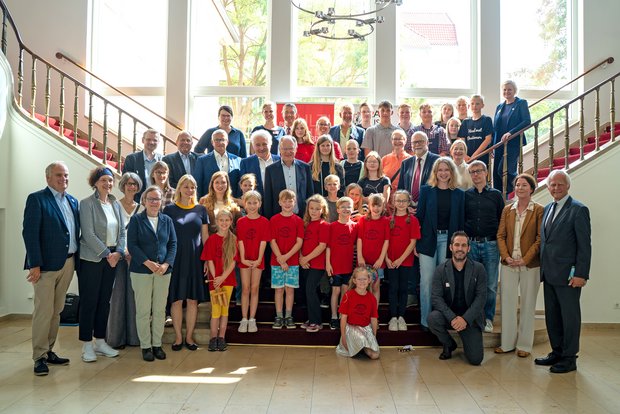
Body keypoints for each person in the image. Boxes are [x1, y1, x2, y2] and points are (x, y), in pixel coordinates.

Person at [22, 161, 80, 376]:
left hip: (68, 263)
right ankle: (38, 357)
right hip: (45, 266)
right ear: (48, 178)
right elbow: (30, 233)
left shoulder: (73, 201)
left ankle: (49, 350)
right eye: (58, 175)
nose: (63, 179)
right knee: (43, 312)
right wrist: (34, 264)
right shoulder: (37, 199)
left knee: (57, 311)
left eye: (65, 175)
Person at [535, 170, 591, 373]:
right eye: (552, 185)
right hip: (549, 274)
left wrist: (581, 274)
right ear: (548, 187)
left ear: (568, 186)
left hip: (569, 276)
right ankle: (557, 352)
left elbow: (584, 246)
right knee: (553, 316)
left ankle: (569, 357)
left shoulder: (578, 210)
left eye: (560, 184)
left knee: (570, 317)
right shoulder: (549, 208)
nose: (556, 188)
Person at [78, 166, 126, 363]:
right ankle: (86, 344)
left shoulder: (115, 204)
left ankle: (100, 341)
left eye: (110, 180)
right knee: (89, 301)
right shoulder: (87, 203)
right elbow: (88, 234)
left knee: (104, 301)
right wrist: (108, 254)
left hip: (112, 259)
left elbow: (122, 232)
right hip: (93, 259)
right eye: (104, 180)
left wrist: (119, 253)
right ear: (95, 183)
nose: (108, 183)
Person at [495, 173, 544, 357]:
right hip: (508, 264)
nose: (520, 188)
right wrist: (506, 257)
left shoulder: (539, 210)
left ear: (531, 189)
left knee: (527, 304)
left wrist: (525, 259)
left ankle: (524, 345)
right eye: (517, 185)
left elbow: (540, 239)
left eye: (524, 185)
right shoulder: (508, 210)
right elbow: (500, 235)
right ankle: (507, 344)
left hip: (530, 265)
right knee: (507, 303)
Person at [127, 186, 177, 361]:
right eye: (151, 199)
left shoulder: (167, 220)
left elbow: (173, 244)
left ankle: (157, 344)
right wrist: (147, 263)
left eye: (157, 199)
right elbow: (132, 245)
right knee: (143, 311)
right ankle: (145, 346)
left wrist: (166, 264)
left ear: (162, 201)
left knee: (159, 310)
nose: (155, 202)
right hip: (141, 271)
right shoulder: (136, 220)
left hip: (163, 272)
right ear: (144, 201)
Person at [416, 157, 465, 329]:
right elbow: (418, 218)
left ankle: (442, 319)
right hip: (427, 240)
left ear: (452, 172)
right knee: (427, 281)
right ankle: (425, 321)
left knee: (445, 282)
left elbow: (461, 222)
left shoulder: (459, 194)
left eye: (447, 170)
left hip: (449, 241)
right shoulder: (426, 191)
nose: (443, 173)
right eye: (440, 170)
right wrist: (415, 243)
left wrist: (458, 247)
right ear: (435, 172)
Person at [163, 175, 209, 351]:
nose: (190, 190)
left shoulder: (201, 210)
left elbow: (205, 238)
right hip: (175, 259)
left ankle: (189, 337)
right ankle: (178, 337)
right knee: (176, 300)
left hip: (195, 260)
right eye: (186, 187)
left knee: (192, 300)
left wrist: (206, 259)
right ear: (180, 188)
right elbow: (164, 237)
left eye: (193, 187)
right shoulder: (169, 210)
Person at [428, 231, 486, 365]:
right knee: (432, 318)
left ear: (469, 248)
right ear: (451, 247)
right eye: (457, 245)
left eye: (464, 245)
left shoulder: (479, 269)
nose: (460, 248)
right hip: (450, 317)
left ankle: (468, 339)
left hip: (469, 319)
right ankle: (449, 344)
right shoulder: (441, 270)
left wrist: (465, 319)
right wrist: (453, 318)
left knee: (476, 360)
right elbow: (436, 298)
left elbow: (481, 298)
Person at [464, 160, 504, 333]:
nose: (475, 175)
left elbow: (502, 220)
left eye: (479, 171)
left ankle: (488, 318)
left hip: (491, 245)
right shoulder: (466, 195)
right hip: (472, 245)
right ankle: (474, 316)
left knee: (490, 285)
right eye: (472, 172)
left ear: (486, 173)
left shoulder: (496, 195)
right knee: (472, 283)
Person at [106, 172, 143, 349]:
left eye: (134, 184)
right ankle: (116, 338)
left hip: (136, 258)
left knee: (135, 298)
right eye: (128, 183)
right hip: (118, 256)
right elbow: (112, 231)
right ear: (122, 186)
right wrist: (122, 251)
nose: (131, 187)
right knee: (118, 297)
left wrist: (134, 252)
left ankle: (134, 337)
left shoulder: (142, 207)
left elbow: (143, 233)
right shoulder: (114, 205)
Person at [202, 209, 238, 352]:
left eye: (227, 220)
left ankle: (221, 338)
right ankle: (213, 338)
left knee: (224, 310)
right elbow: (209, 260)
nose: (224, 223)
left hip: (227, 280)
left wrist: (223, 277)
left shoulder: (233, 239)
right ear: (216, 222)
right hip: (214, 281)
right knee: (216, 310)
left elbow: (233, 262)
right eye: (221, 220)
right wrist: (216, 277)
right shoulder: (212, 239)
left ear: (230, 222)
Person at [386, 190, 420, 331]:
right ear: (393, 202)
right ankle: (393, 317)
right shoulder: (388, 220)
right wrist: (387, 258)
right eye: (398, 201)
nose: (400, 204)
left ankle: (401, 317)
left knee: (403, 288)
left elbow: (412, 243)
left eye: (403, 201)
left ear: (408, 202)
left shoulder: (413, 220)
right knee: (393, 288)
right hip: (391, 261)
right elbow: (384, 242)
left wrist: (400, 259)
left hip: (405, 260)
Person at [269, 189, 304, 329]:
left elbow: (299, 242)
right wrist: (280, 258)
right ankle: (279, 316)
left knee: (290, 289)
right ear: (279, 202)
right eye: (285, 201)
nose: (288, 203)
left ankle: (288, 316)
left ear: (294, 202)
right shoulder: (274, 219)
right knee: (279, 289)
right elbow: (272, 241)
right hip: (277, 262)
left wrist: (286, 258)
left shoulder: (298, 220)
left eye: (290, 201)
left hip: (293, 262)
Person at [236, 191, 270, 333]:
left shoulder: (264, 221)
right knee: (245, 288)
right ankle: (244, 318)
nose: (252, 206)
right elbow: (241, 241)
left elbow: (263, 241)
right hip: (244, 257)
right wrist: (243, 258)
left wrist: (258, 259)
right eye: (249, 203)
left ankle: (252, 318)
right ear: (244, 204)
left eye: (255, 203)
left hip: (257, 259)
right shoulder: (241, 221)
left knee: (254, 288)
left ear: (260, 204)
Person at [492, 80, 531, 196]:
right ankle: (500, 197)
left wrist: (511, 132)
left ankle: (516, 188)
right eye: (504, 89)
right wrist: (492, 147)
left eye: (509, 89)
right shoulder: (500, 106)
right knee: (496, 174)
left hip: (513, 143)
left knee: (504, 170)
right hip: (499, 144)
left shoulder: (521, 103)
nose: (507, 91)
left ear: (514, 91)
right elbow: (495, 128)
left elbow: (527, 121)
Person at [326, 197, 358, 330]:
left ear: (352, 209)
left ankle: (342, 316)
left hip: (348, 265)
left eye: (348, 206)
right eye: (343, 206)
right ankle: (333, 316)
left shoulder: (355, 226)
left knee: (345, 291)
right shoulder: (332, 226)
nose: (346, 209)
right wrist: (328, 264)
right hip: (335, 265)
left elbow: (357, 245)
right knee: (336, 290)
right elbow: (328, 247)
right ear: (337, 209)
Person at [299, 195, 330, 332]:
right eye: (311, 208)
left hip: (317, 264)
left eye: (317, 209)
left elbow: (322, 246)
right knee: (308, 291)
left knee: (310, 290)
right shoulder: (305, 224)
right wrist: (301, 258)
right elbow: (300, 243)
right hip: (305, 263)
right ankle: (311, 318)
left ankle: (317, 322)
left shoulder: (324, 225)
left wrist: (306, 258)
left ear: (323, 210)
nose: (314, 211)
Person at [263, 136, 313, 218]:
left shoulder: (305, 168)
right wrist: (269, 219)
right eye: (285, 149)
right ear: (280, 149)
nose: (288, 151)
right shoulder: (270, 170)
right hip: (278, 217)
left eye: (291, 148)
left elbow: (310, 193)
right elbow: (268, 197)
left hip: (301, 216)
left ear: (296, 149)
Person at [335, 267, 380, 359]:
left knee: (375, 355)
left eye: (364, 279)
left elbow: (373, 319)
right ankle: (360, 345)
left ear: (369, 280)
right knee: (358, 344)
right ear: (354, 281)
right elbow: (343, 318)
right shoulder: (348, 295)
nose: (362, 281)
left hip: (365, 328)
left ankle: (362, 346)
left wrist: (373, 337)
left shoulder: (372, 298)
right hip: (352, 328)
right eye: (359, 279)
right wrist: (343, 337)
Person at [357, 194, 390, 307]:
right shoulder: (363, 220)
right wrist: (360, 256)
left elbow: (386, 241)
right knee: (362, 287)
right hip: (364, 260)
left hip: (377, 262)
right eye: (373, 206)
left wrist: (381, 259)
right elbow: (359, 239)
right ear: (369, 206)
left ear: (383, 206)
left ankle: (373, 313)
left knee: (375, 287)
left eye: (379, 206)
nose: (376, 209)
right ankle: (363, 311)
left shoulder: (385, 221)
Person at [194, 129, 242, 198]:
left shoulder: (238, 160)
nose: (220, 142)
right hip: (209, 203)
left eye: (223, 140)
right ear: (212, 142)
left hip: (231, 203)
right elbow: (197, 184)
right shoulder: (202, 161)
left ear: (227, 142)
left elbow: (240, 184)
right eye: (217, 140)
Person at [398, 131, 441, 206]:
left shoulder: (437, 161)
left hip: (429, 207)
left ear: (427, 143)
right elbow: (401, 189)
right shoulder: (406, 163)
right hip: (409, 208)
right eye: (414, 142)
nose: (417, 144)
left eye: (421, 141)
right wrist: (405, 206)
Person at [122, 129, 163, 202]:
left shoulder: (164, 160)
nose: (151, 142)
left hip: (158, 202)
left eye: (155, 140)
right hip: (137, 202)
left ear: (159, 142)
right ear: (143, 140)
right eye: (148, 139)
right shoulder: (132, 159)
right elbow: (125, 183)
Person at [239, 129, 281, 195]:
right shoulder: (246, 163)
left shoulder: (280, 160)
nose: (261, 148)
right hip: (255, 204)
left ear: (270, 144)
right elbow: (242, 188)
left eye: (264, 144)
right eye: (258, 145)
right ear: (253, 145)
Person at [458, 94, 493, 166]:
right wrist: (464, 155)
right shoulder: (465, 122)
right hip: (467, 159)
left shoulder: (487, 120)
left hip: (482, 158)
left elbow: (488, 140)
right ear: (469, 105)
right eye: (472, 104)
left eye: (477, 104)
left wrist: (474, 156)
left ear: (482, 105)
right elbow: (461, 140)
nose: (474, 106)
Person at [382, 129, 411, 195]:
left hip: (404, 199)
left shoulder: (411, 160)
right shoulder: (384, 159)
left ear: (405, 141)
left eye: (400, 139)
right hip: (387, 198)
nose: (397, 141)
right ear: (391, 141)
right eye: (395, 139)